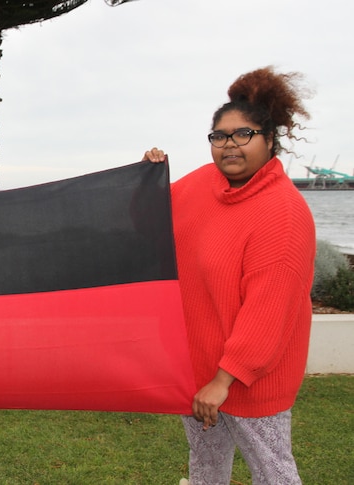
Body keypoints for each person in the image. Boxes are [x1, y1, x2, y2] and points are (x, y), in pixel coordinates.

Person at [143, 67, 315, 485]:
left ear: (269, 140)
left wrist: (223, 382)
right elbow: (147, 218)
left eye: (244, 134)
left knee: (274, 474)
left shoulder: (283, 213)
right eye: (220, 136)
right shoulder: (204, 183)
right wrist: (147, 178)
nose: (229, 145)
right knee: (205, 471)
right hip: (198, 370)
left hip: (249, 382)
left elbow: (268, 313)